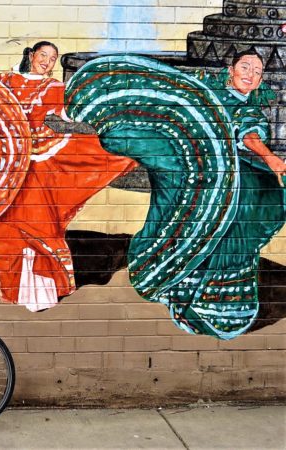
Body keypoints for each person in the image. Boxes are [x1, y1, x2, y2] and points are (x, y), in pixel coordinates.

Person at [65, 49, 286, 339]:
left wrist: (264, 159)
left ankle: (211, 292)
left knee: (253, 204)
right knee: (215, 202)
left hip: (230, 172)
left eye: (257, 72)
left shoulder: (249, 111)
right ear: (231, 69)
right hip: (201, 167)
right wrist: (271, 158)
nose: (250, 74)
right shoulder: (207, 93)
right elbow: (247, 138)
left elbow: (248, 135)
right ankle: (181, 279)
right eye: (245, 66)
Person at [0, 42, 137, 311]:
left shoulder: (53, 88)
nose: (47, 61)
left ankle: (39, 288)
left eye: (52, 58)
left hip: (37, 156)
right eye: (43, 55)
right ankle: (27, 286)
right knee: (6, 226)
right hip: (1, 157)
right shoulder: (5, 80)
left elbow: (72, 112)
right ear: (32, 56)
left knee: (35, 219)